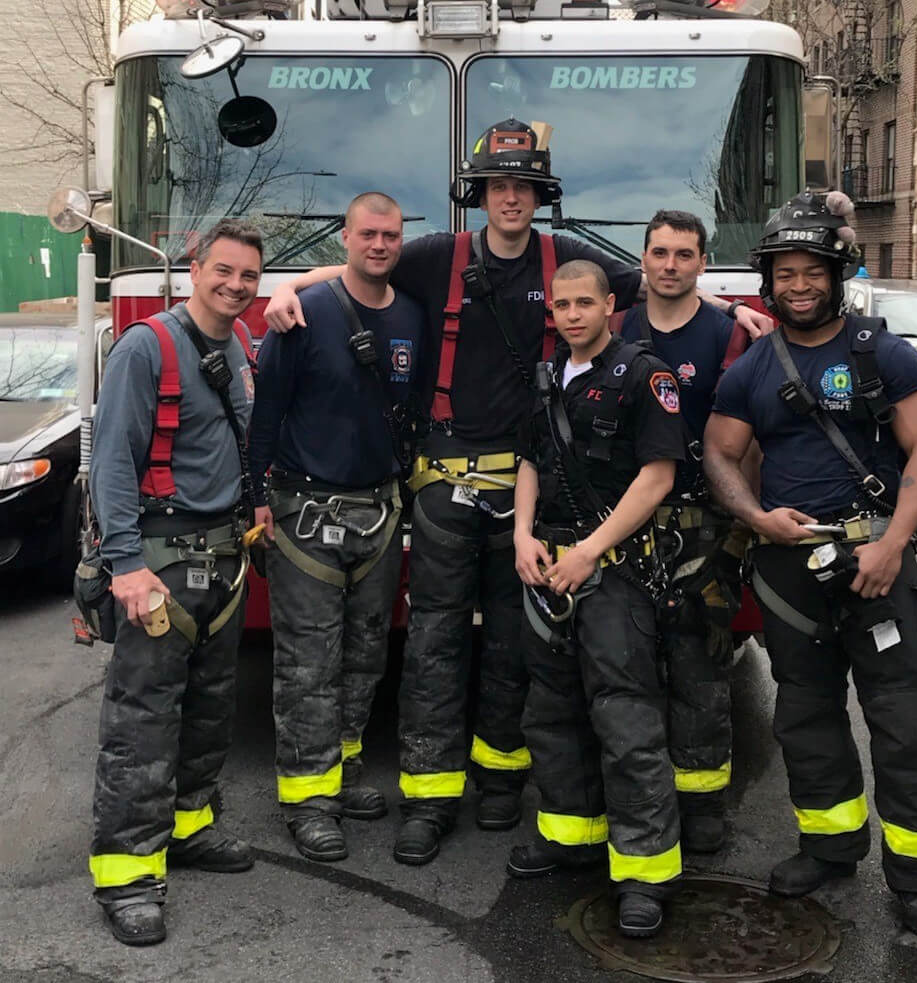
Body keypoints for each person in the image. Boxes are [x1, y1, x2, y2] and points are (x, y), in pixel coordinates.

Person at [264, 119, 769, 867]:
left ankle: (500, 779)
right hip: (443, 482)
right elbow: (363, 268)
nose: (510, 197)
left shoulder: (566, 258)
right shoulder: (440, 256)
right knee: (434, 638)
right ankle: (430, 797)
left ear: (538, 196)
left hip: (528, 486)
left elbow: (662, 282)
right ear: (481, 195)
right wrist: (289, 286)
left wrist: (735, 311)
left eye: (523, 186)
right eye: (499, 185)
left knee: (513, 638)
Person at [703, 190, 917, 938]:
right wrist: (751, 517)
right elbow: (719, 451)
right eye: (786, 273)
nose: (800, 284)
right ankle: (830, 847)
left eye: (813, 270)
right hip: (788, 571)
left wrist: (889, 544)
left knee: (909, 724)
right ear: (769, 280)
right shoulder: (753, 367)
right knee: (806, 717)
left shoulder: (885, 353)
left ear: (838, 271)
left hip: (878, 561)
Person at [88, 220, 263, 946]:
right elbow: (111, 464)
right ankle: (126, 872)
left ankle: (188, 826)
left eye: (249, 275)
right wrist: (123, 564)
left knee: (210, 706)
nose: (235, 285)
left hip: (224, 560)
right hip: (157, 563)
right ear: (196, 268)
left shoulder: (239, 347)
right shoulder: (146, 347)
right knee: (143, 720)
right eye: (223, 270)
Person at [248, 192, 426, 863]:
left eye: (391, 234)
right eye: (368, 234)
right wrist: (254, 499)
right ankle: (307, 800)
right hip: (306, 511)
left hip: (380, 511)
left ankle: (342, 772)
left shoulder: (412, 313)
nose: (380, 245)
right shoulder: (302, 316)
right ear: (345, 238)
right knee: (307, 663)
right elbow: (266, 412)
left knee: (364, 654)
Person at [510, 259, 685, 938]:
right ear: (551, 311)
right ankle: (571, 835)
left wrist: (590, 550)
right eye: (562, 305)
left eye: (585, 303)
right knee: (551, 709)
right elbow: (529, 459)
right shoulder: (549, 375)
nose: (573, 314)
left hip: (611, 568)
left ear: (611, 304)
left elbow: (658, 476)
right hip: (549, 563)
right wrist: (523, 534)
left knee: (626, 718)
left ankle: (644, 871)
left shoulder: (646, 375)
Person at [620, 210, 753, 853]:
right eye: (660, 253)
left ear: (703, 262)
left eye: (684, 254)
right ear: (641, 259)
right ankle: (643, 798)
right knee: (630, 668)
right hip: (625, 526)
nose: (670, 265)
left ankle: (702, 806)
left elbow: (753, 439)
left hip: (704, 530)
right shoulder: (615, 329)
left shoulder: (731, 336)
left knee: (702, 670)